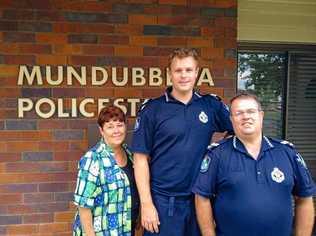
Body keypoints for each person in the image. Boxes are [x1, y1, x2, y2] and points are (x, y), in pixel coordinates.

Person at [131, 48, 234, 236]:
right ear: (169, 74)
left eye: (188, 70)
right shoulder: (152, 110)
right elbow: (140, 159)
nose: (183, 75)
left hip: (201, 201)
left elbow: (239, 133)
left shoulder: (211, 105)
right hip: (163, 202)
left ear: (196, 73)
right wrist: (146, 204)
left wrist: (219, 154)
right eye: (178, 70)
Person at [193, 92, 316, 236]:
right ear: (231, 120)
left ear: (261, 115)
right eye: (239, 113)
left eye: (251, 111)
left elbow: (304, 198)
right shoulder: (217, 154)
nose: (246, 116)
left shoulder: (287, 153)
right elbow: (202, 198)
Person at [73, 105, 139, 236]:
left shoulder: (130, 153)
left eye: (120, 125)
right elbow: (83, 205)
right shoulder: (93, 158)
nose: (116, 131)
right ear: (101, 130)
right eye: (110, 127)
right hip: (101, 231)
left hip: (125, 228)